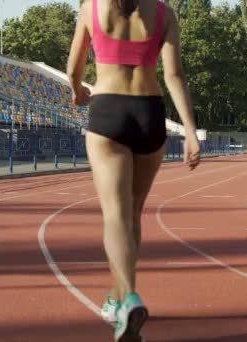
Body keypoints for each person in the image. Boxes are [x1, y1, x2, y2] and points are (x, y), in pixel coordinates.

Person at [66, 0, 201, 340]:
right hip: (150, 114)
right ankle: (117, 298)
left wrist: (77, 90)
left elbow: (73, 69)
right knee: (133, 214)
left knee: (115, 216)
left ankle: (128, 298)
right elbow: (174, 74)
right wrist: (189, 130)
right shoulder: (164, 13)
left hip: (108, 109)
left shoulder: (91, 9)